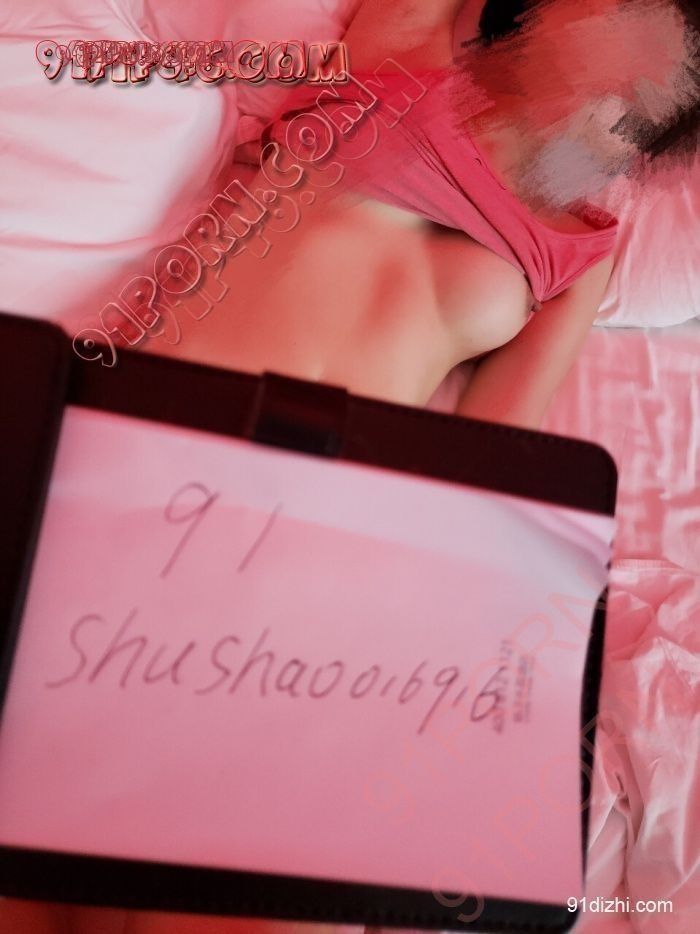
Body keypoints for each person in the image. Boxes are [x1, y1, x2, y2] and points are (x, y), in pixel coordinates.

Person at [6, 1, 699, 933]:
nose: (610, 108)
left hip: (319, 553)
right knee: (41, 861)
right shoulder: (401, 61)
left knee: (255, 889)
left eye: (640, 113)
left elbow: (493, 463)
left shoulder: (583, 252)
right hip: (145, 468)